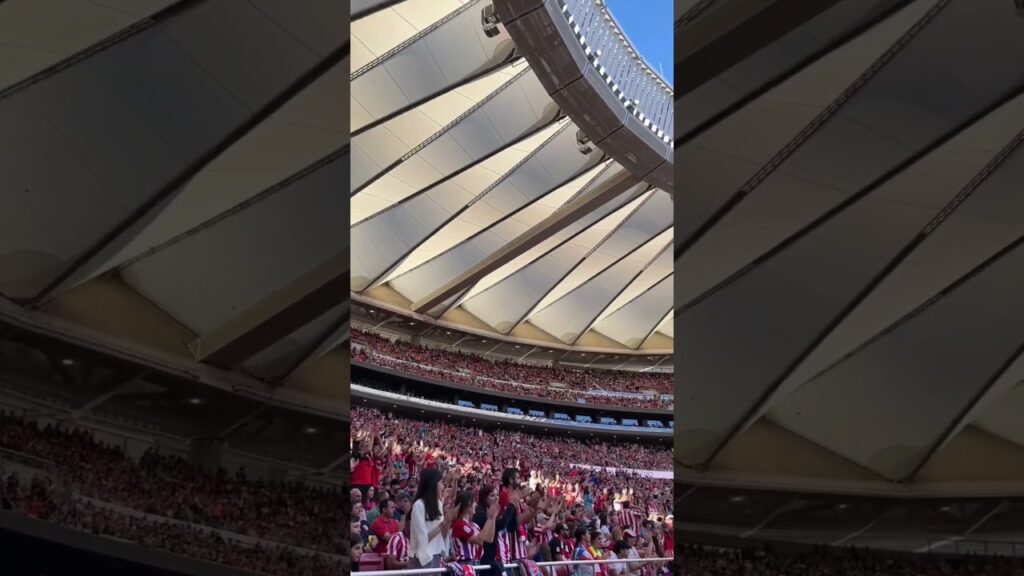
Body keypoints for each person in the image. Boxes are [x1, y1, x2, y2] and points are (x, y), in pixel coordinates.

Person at [409, 468, 454, 568]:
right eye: (441, 483)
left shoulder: (438, 503)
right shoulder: (419, 505)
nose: (443, 486)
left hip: (436, 554)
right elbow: (422, 538)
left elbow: (443, 534)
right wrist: (443, 523)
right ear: (433, 484)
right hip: (422, 557)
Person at [452, 490, 499, 562]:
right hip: (464, 563)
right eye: (473, 502)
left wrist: (493, 518)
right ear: (467, 504)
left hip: (475, 562)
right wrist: (489, 519)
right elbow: (479, 540)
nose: (476, 504)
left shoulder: (474, 525)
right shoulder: (459, 524)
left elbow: (489, 539)